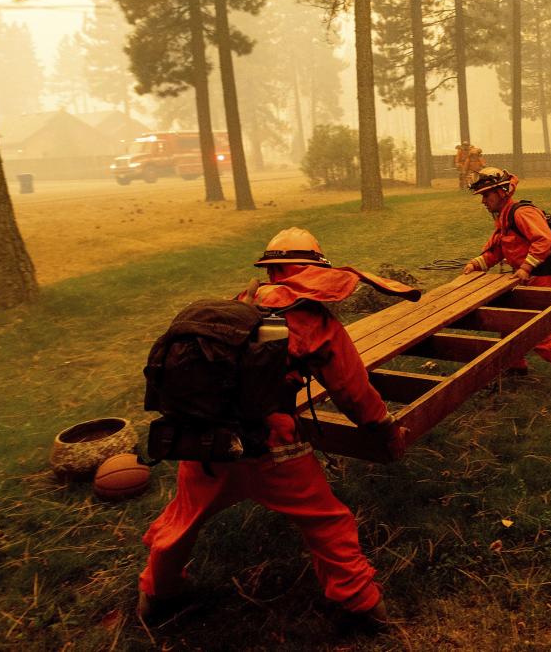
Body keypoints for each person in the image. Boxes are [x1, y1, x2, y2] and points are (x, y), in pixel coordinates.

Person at [137, 227, 413, 628]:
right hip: (274, 450)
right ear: (314, 271)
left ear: (273, 270)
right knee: (327, 522)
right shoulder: (313, 320)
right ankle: (364, 606)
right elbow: (352, 391)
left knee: (181, 519)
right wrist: (384, 427)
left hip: (205, 442)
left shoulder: (238, 307)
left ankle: (156, 597)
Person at [461, 167, 551, 395]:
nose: (483, 201)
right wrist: (475, 264)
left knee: (529, 328)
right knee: (506, 319)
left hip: (544, 277)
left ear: (501, 191)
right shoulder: (504, 217)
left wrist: (525, 267)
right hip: (529, 277)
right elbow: (497, 250)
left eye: (486, 195)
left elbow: (544, 240)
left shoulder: (522, 213)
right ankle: (515, 365)